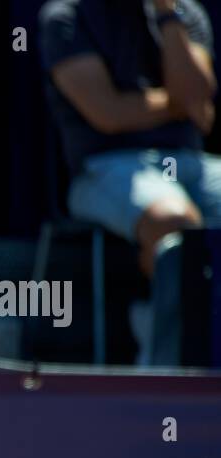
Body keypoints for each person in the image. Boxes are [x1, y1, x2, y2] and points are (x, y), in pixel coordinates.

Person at [40, 0, 218, 363]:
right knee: (174, 224)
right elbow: (108, 113)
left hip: (193, 163)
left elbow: (201, 106)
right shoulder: (66, 17)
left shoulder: (187, 14)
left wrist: (168, 15)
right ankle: (168, 368)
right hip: (103, 169)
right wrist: (179, 104)